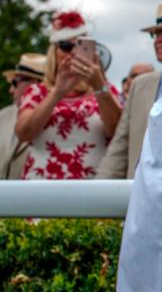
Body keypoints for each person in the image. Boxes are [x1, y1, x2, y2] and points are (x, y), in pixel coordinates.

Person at [15, 11, 122, 179]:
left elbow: (117, 133)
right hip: (40, 189)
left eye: (80, 46)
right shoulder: (37, 92)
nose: (73, 52)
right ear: (53, 52)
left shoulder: (105, 90)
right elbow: (23, 134)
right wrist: (57, 93)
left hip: (93, 189)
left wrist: (99, 86)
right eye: (66, 46)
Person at [98, 2, 162, 179]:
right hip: (141, 190)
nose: (159, 39)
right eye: (156, 33)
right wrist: (98, 194)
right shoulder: (140, 85)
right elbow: (120, 145)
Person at [0, 53, 45, 179]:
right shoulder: (3, 116)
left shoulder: (59, 118)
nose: (11, 90)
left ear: (36, 84)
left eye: (15, 82)